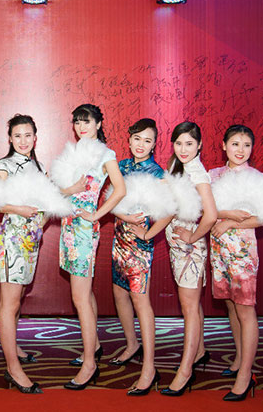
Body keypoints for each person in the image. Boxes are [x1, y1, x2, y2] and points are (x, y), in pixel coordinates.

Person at [58, 103, 126, 390]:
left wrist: (97, 215)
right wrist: (68, 190)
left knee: (80, 297)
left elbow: (120, 189)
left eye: (87, 121)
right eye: (77, 122)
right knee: (84, 294)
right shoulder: (73, 151)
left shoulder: (105, 154)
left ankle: (89, 364)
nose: (81, 127)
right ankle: (94, 346)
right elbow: (61, 188)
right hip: (69, 227)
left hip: (85, 230)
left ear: (98, 124)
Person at [109, 118, 170, 396]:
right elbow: (108, 201)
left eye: (147, 140)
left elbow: (170, 210)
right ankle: (132, 344)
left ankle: (149, 368)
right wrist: (122, 216)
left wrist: (148, 234)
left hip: (139, 244)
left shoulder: (158, 173)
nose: (141, 145)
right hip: (119, 238)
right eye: (137, 138)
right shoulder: (120, 166)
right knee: (119, 293)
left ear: (154, 144)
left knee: (140, 301)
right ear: (129, 139)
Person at [161, 121, 217, 397]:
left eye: (189, 144)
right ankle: (199, 352)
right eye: (179, 143)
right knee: (193, 305)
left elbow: (211, 215)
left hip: (189, 251)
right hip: (178, 248)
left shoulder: (197, 174)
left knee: (189, 308)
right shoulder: (178, 167)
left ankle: (185, 371)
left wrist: (193, 237)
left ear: (199, 145)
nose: (183, 149)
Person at [208, 125, 262, 402]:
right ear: (224, 145)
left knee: (245, 309)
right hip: (219, 250)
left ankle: (246, 374)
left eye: (246, 145)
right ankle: (240, 358)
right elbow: (202, 208)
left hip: (242, 252)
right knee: (230, 305)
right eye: (235, 144)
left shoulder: (256, 178)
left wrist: (229, 222)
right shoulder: (213, 175)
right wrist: (226, 214)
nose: (241, 150)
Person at [0, 114, 46, 394]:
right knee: (10, 303)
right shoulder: (4, 165)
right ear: (10, 139)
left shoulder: (38, 167)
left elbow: (46, 203)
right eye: (17, 136)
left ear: (35, 138)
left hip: (32, 241)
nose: (23, 141)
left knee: (18, 297)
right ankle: (13, 368)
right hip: (12, 241)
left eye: (28, 135)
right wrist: (20, 210)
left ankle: (13, 348)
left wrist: (41, 222)